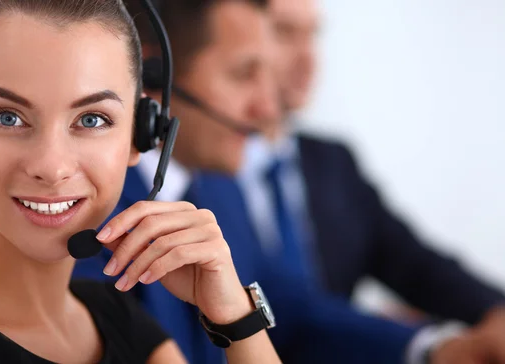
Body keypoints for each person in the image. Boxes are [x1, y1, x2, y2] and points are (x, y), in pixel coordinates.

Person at [72, 1, 476, 364]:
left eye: (269, 76)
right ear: (152, 74)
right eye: (244, 74)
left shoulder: (217, 188)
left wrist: (436, 349)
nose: (268, 108)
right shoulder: (86, 206)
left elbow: (288, 309)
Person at [0, 1, 282, 363]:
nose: (51, 167)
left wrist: (236, 318)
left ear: (140, 135)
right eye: (7, 117)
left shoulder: (113, 317)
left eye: (91, 120)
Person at [233, 0, 505, 362]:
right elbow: (287, 310)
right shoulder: (196, 166)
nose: (308, 58)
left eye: (313, 35)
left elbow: (416, 265)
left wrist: (495, 313)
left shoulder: (332, 162)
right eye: (284, 33)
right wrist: (434, 346)